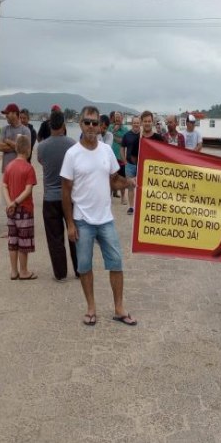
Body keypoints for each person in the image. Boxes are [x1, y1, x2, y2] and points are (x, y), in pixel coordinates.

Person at [61, 106, 136, 327]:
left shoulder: (106, 150)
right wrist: (70, 224)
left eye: (95, 123)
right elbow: (65, 192)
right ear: (81, 124)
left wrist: (129, 182)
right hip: (82, 220)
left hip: (106, 219)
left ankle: (119, 308)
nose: (91, 127)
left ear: (99, 125)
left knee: (116, 263)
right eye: (87, 122)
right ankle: (91, 308)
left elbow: (114, 180)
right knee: (84, 266)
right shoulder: (72, 154)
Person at [37, 110, 78, 282]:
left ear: (49, 125)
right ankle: (80, 269)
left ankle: (60, 272)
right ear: (64, 125)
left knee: (55, 238)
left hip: (50, 198)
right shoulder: (73, 145)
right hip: (70, 196)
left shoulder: (42, 146)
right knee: (75, 233)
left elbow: (40, 161)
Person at [2, 135, 38, 280]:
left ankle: (13, 271)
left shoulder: (9, 166)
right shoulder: (29, 168)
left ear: (16, 148)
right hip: (24, 208)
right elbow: (28, 190)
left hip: (11, 210)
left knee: (13, 239)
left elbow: (4, 186)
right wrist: (16, 202)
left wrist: (9, 202)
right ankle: (23, 271)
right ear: (28, 150)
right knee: (24, 240)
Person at [0, 103, 31, 173]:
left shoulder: (25, 130)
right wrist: (19, 146)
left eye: (7, 113)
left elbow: (27, 153)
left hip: (20, 172)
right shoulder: (4, 129)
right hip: (6, 171)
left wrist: (8, 141)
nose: (5, 116)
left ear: (14, 114)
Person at [121, 116, 141, 215]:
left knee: (142, 187)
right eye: (134, 123)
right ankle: (131, 207)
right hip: (129, 164)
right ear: (132, 124)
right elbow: (122, 148)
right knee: (130, 187)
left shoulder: (143, 136)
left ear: (140, 124)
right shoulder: (127, 135)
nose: (136, 124)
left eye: (138, 123)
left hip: (141, 165)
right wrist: (124, 161)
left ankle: (140, 206)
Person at [110, 111, 129, 205]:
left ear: (122, 118)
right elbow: (106, 138)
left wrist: (113, 136)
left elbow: (124, 142)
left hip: (121, 157)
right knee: (110, 178)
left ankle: (123, 198)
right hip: (110, 157)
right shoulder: (110, 127)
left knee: (122, 178)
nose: (117, 119)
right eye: (116, 117)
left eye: (119, 117)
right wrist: (114, 131)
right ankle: (109, 198)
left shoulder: (125, 129)